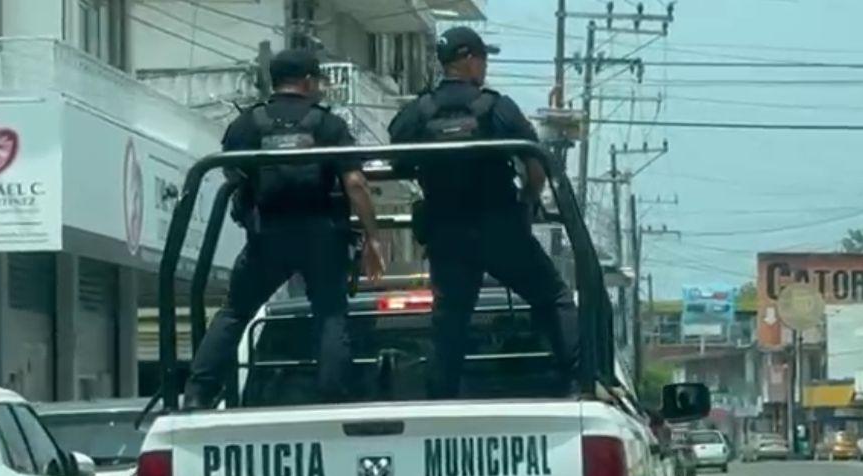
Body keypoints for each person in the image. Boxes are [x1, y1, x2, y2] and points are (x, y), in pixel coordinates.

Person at [185, 49, 385, 408]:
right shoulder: (327, 125)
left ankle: (198, 393)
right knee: (330, 311)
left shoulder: (249, 124)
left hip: (268, 234)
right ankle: (332, 394)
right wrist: (372, 237)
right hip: (322, 233)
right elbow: (355, 183)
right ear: (308, 81)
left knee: (235, 312)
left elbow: (233, 173)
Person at [388, 26, 579, 400]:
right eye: (483, 58)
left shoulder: (417, 112)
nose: (485, 66)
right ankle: (577, 381)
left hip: (447, 233)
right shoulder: (496, 107)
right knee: (553, 297)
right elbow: (535, 165)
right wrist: (527, 200)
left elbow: (396, 160)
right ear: (469, 60)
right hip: (499, 227)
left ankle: (442, 395)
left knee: (451, 316)